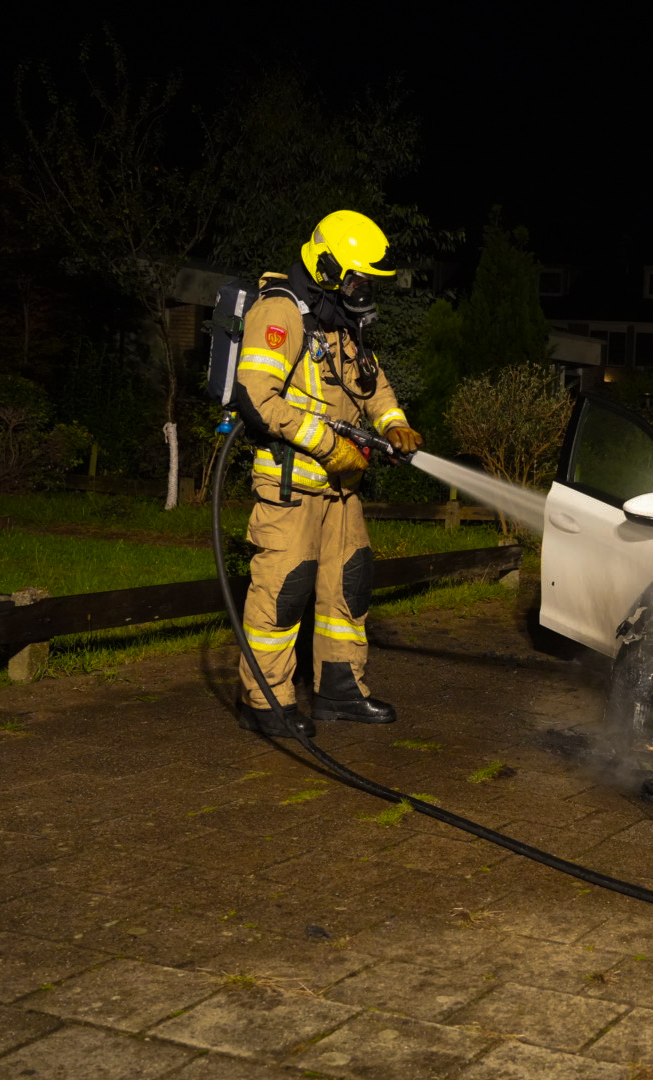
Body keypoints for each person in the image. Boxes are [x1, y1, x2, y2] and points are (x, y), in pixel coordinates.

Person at [232, 210, 424, 738]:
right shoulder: (282, 314)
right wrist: (327, 445)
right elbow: (256, 397)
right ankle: (265, 700)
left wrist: (395, 422)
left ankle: (340, 689)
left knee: (351, 586)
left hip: (343, 490)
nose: (364, 290)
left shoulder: (340, 319)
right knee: (285, 591)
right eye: (358, 278)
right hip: (291, 487)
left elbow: (371, 381)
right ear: (327, 266)